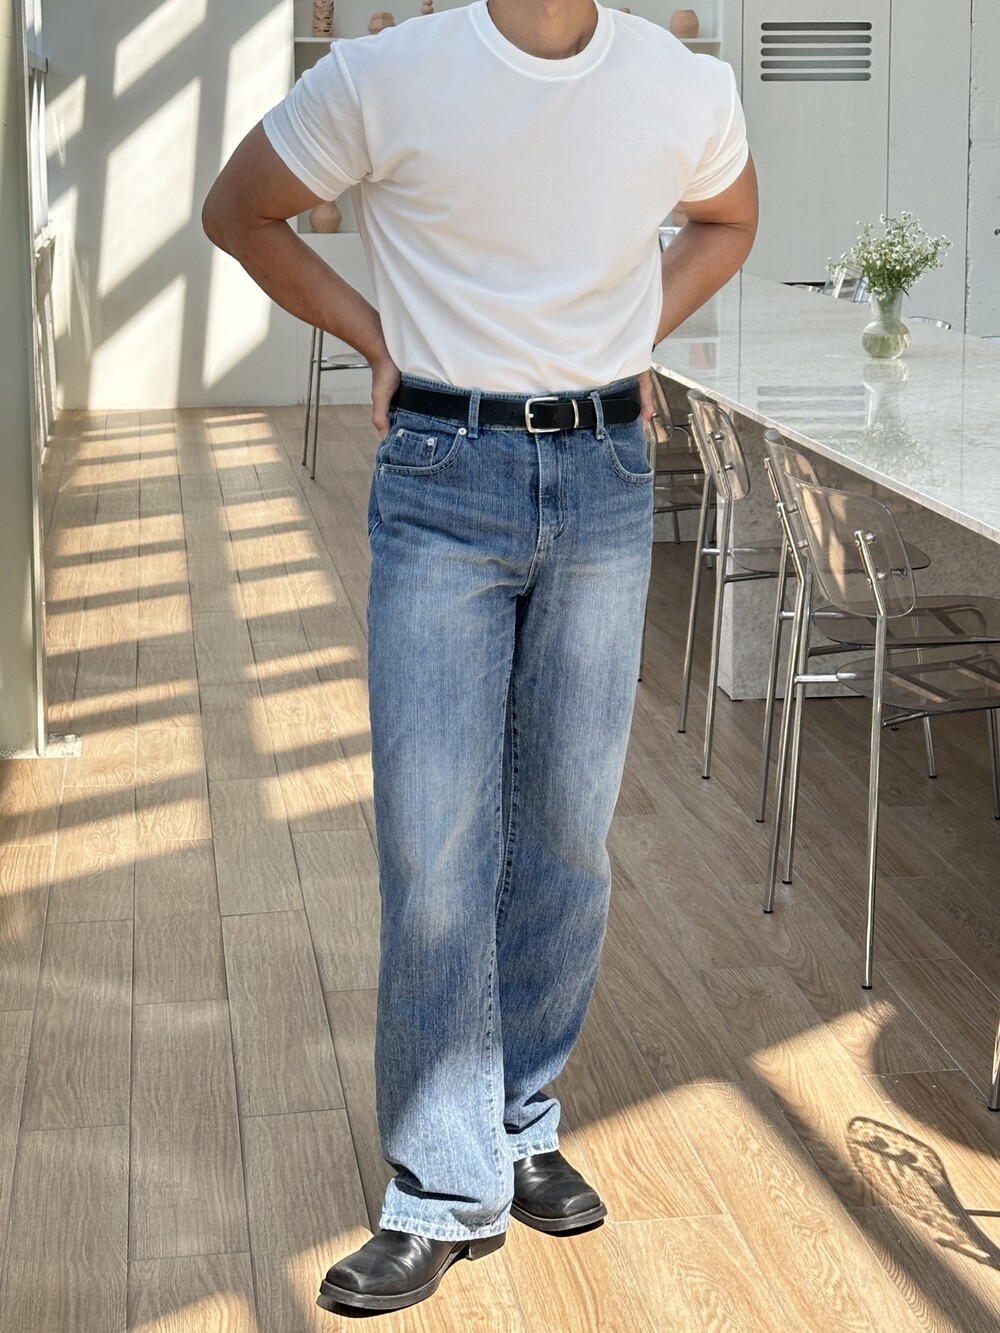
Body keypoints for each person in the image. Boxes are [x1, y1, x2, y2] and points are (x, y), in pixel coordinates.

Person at [203, 0, 757, 1314]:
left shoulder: (682, 83)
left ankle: (519, 1119)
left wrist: (633, 330)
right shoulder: (385, 74)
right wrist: (375, 334)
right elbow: (241, 211)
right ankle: (440, 1186)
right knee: (437, 841)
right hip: (443, 477)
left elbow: (727, 220)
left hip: (606, 477)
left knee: (567, 829)